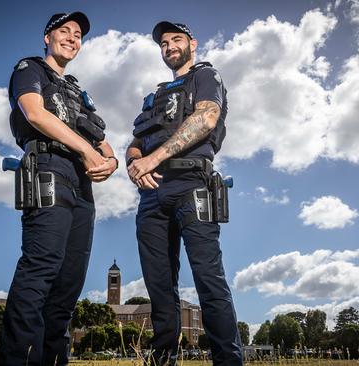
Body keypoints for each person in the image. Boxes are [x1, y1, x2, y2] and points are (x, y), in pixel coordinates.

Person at [0, 11, 118, 366]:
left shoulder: (79, 92)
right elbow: (35, 114)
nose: (71, 37)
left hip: (83, 186)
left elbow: (104, 142)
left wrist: (110, 163)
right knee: (41, 268)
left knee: (69, 281)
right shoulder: (30, 69)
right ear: (47, 38)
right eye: (63, 31)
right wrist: (85, 150)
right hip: (48, 169)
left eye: (78, 34)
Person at [126, 21, 243, 366]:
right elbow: (135, 144)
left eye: (176, 40)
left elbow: (206, 119)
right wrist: (136, 165)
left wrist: (153, 159)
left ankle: (229, 361)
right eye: (163, 43)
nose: (169, 46)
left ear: (192, 43)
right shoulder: (156, 96)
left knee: (209, 279)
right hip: (151, 196)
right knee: (159, 288)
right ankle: (163, 360)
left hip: (192, 185)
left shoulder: (206, 77)